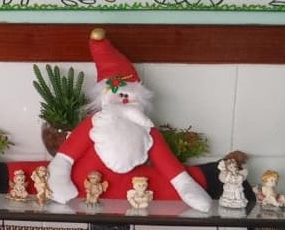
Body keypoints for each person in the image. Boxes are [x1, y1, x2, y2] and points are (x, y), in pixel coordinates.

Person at [45, 28, 211, 211]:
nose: (123, 99)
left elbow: (166, 162)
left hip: (132, 192)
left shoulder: (145, 127)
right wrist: (59, 173)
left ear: (138, 97)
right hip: (86, 187)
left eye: (128, 94)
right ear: (104, 97)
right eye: (118, 94)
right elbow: (66, 155)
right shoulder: (96, 122)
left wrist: (184, 183)